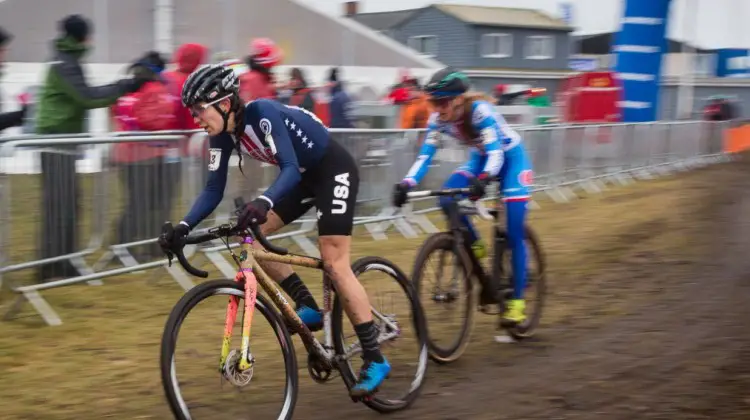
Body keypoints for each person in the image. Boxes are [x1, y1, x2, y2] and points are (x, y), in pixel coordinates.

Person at [157, 64, 391, 397]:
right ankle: (306, 305)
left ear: (224, 103)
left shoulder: (262, 113)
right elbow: (212, 189)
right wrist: (182, 227)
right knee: (246, 237)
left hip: (332, 170)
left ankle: (374, 356)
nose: (195, 118)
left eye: (199, 110)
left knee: (335, 262)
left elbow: (290, 169)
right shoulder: (220, 137)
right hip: (302, 177)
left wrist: (264, 201)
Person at [391, 67, 534, 326]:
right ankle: (476, 249)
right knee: (447, 199)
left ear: (458, 99)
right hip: (480, 159)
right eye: (433, 102)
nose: (437, 108)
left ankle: (517, 302)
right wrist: (406, 183)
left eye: (442, 102)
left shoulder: (480, 112)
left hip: (511, 160)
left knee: (513, 228)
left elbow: (496, 154)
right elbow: (425, 156)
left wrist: (484, 180)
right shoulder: (437, 120)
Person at [34, 14, 146, 281]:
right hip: (55, 143)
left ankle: (62, 260)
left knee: (68, 205)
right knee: (59, 206)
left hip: (61, 144)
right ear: (82, 37)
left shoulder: (66, 60)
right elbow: (87, 96)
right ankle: (51, 266)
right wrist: (127, 85)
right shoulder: (65, 63)